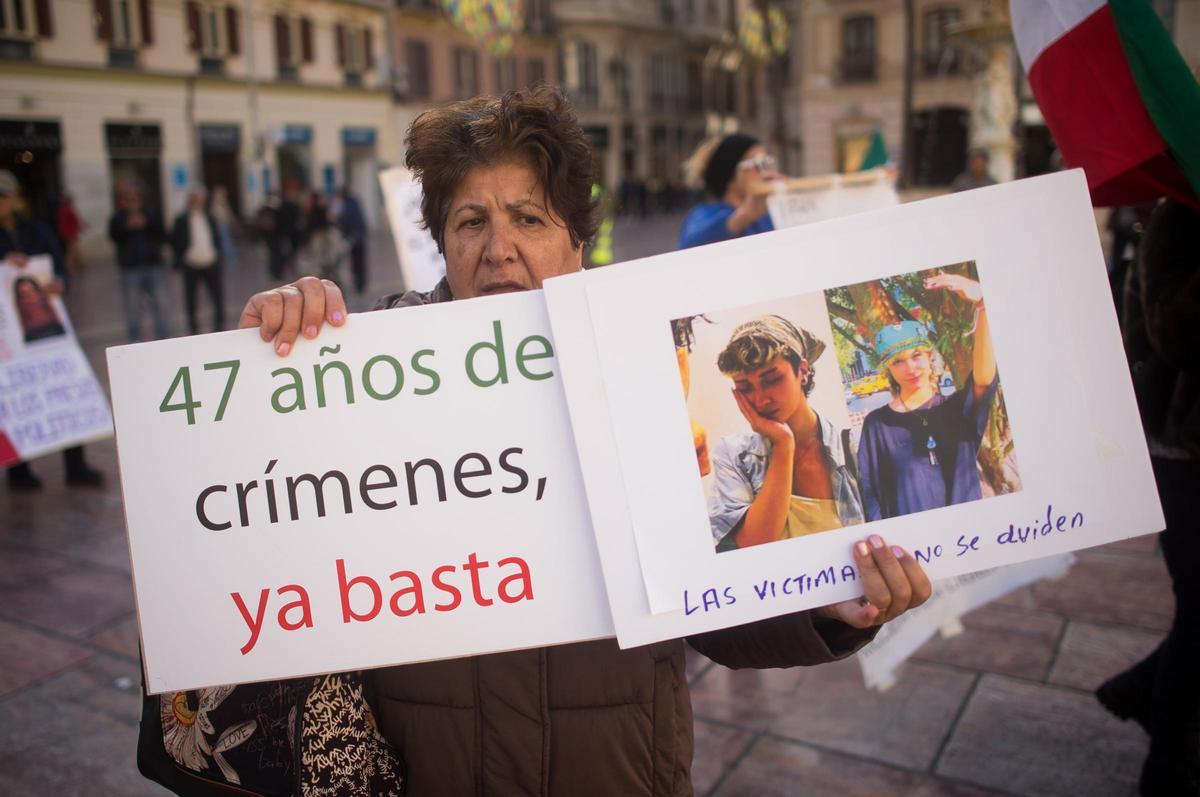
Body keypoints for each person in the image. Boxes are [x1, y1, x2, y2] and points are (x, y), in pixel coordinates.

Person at [138, 87, 932, 797]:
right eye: (471, 221)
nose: (498, 248)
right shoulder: (352, 374)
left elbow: (711, 608)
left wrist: (828, 608)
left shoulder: (639, 378)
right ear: (442, 243)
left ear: (577, 239)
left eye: (528, 217)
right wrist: (267, 364)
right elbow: (259, 541)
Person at [1096, 199, 1199, 796]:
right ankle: (1170, 768)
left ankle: (1144, 688)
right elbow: (1174, 331)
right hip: (1184, 448)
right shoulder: (1181, 211)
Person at [709, 315, 864, 551]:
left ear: (802, 370)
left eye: (772, 380)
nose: (761, 398)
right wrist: (783, 445)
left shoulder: (854, 446)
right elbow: (753, 544)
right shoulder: (732, 454)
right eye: (745, 388)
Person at [856, 275, 998, 522]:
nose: (910, 368)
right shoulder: (877, 425)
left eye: (917, 356)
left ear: (929, 358)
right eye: (898, 362)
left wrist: (984, 304)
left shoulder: (958, 410)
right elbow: (870, 495)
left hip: (969, 535)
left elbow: (984, 378)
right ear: (887, 369)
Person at [0, 169, 104, 490]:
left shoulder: (36, 230)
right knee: (17, 398)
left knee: (61, 391)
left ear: (16, 198)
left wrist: (60, 281)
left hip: (49, 331)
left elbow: (59, 266)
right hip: (9, 338)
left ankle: (76, 464)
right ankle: (19, 471)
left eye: (5, 196)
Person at [678, 132, 779, 249]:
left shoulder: (765, 214)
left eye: (767, 162)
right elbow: (691, 243)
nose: (765, 171)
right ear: (730, 176)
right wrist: (745, 215)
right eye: (757, 163)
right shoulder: (705, 214)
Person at [109, 183, 170, 342]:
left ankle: (164, 339)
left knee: (161, 305)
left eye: (135, 199)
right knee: (132, 309)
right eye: (129, 199)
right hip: (130, 268)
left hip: (153, 265)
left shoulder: (150, 214)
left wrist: (147, 223)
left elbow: (162, 233)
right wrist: (126, 227)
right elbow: (114, 236)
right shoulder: (118, 217)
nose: (132, 202)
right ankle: (134, 342)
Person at [171, 188, 225, 335]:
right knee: (191, 298)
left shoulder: (209, 217)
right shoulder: (181, 219)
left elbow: (216, 238)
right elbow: (175, 241)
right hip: (191, 263)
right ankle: (193, 328)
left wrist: (218, 256)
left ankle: (220, 325)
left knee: (217, 296)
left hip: (210, 261)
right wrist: (181, 259)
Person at [336, 185, 368, 293]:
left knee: (356, 262)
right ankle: (360, 284)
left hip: (353, 237)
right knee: (359, 262)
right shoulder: (354, 202)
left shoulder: (346, 205)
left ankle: (359, 285)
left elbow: (345, 221)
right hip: (359, 236)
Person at [13, 276, 66, 342]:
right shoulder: (20, 304)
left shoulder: (43, 297)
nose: (30, 296)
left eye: (31, 290)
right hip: (35, 335)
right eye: (24, 293)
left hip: (54, 329)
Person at [208, 185, 238, 270]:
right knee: (225, 240)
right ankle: (228, 256)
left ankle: (230, 256)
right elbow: (214, 214)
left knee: (227, 240)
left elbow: (228, 213)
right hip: (220, 224)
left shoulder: (223, 203)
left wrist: (232, 221)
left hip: (224, 223)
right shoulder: (217, 203)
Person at [55, 191, 85, 274]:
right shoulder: (67, 208)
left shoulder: (62, 209)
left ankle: (76, 265)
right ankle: (70, 268)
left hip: (68, 232)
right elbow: (74, 220)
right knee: (71, 250)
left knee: (72, 249)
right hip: (70, 233)